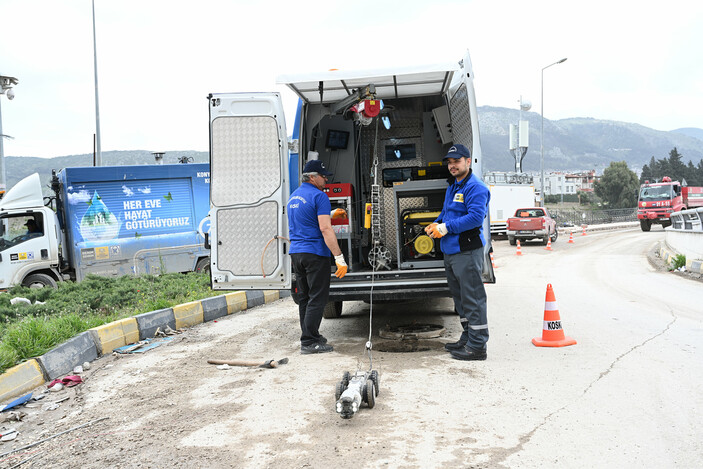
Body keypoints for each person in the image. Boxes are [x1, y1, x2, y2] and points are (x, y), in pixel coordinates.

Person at [426, 144, 490, 361]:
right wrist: (435, 223)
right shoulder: (453, 186)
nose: (452, 165)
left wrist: (444, 228)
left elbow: (474, 218)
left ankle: (478, 346)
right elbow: (446, 212)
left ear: (468, 161)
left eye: (457, 161)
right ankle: (468, 337)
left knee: (472, 298)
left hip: (466, 250)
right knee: (460, 298)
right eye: (450, 162)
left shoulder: (476, 187)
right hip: (451, 251)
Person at [287, 159, 348, 354]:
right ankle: (309, 342)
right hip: (315, 253)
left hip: (297, 253)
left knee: (304, 297)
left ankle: (310, 335)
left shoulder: (294, 197)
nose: (326, 180)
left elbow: (307, 219)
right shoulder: (319, 196)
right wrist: (339, 257)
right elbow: (324, 228)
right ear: (312, 177)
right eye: (323, 176)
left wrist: (329, 213)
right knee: (318, 298)